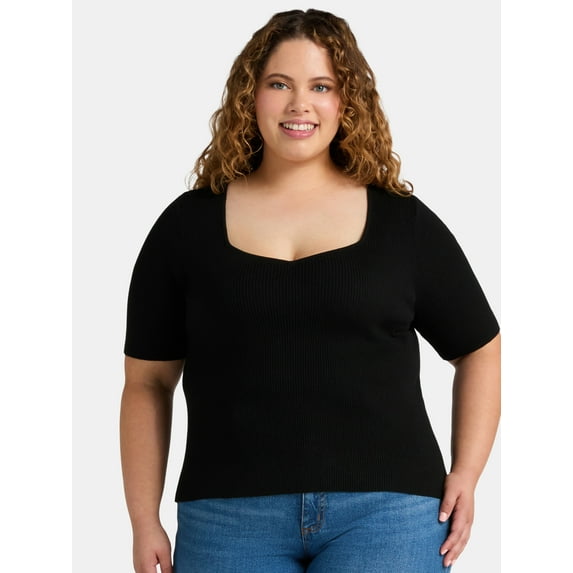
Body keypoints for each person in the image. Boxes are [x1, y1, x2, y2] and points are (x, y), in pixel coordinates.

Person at [120, 8, 500, 573]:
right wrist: (142, 518)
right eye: (280, 84)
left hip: (389, 513)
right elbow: (147, 383)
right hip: (226, 519)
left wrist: (466, 472)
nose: (300, 104)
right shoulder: (185, 228)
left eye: (321, 86)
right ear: (250, 96)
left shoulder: (403, 223)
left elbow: (479, 348)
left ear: (347, 102)